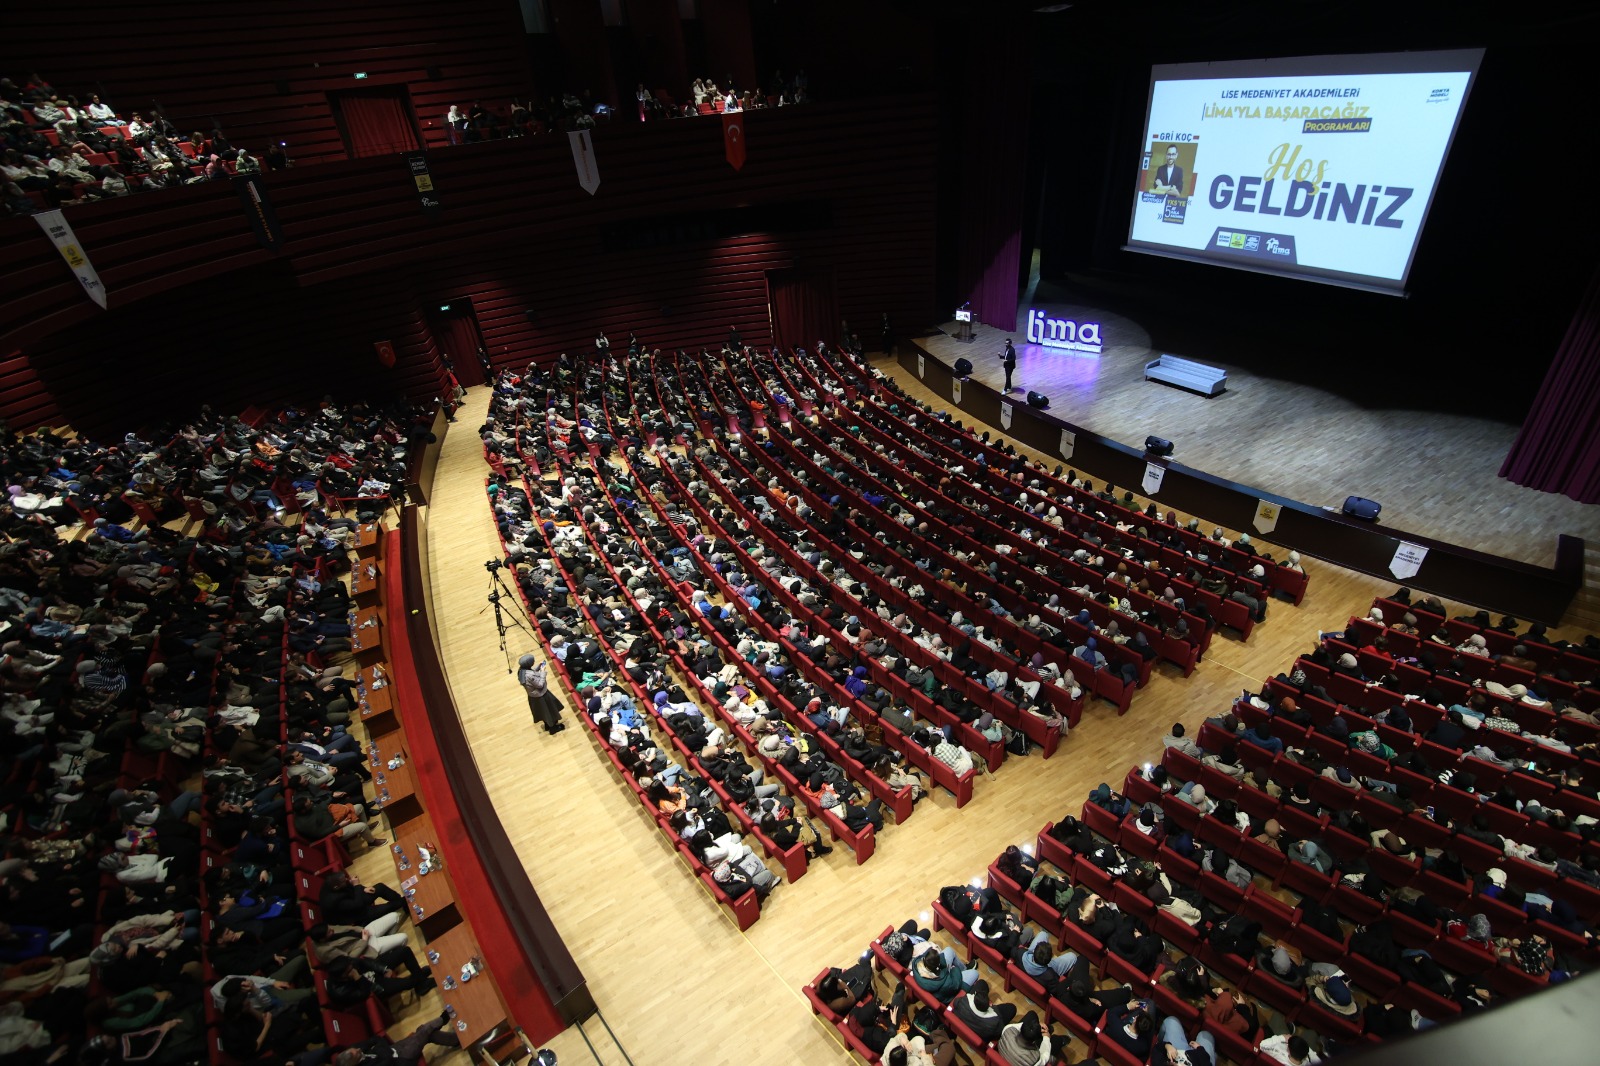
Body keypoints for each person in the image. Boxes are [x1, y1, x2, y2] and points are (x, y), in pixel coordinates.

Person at [518, 653, 565, 733]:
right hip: (541, 696)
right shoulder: (529, 675)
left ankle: (548, 724)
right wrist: (543, 672)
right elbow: (540, 685)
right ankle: (553, 728)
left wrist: (538, 667)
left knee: (543, 712)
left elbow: (532, 674)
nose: (533, 662)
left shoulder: (521, 671)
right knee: (549, 711)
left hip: (533, 696)